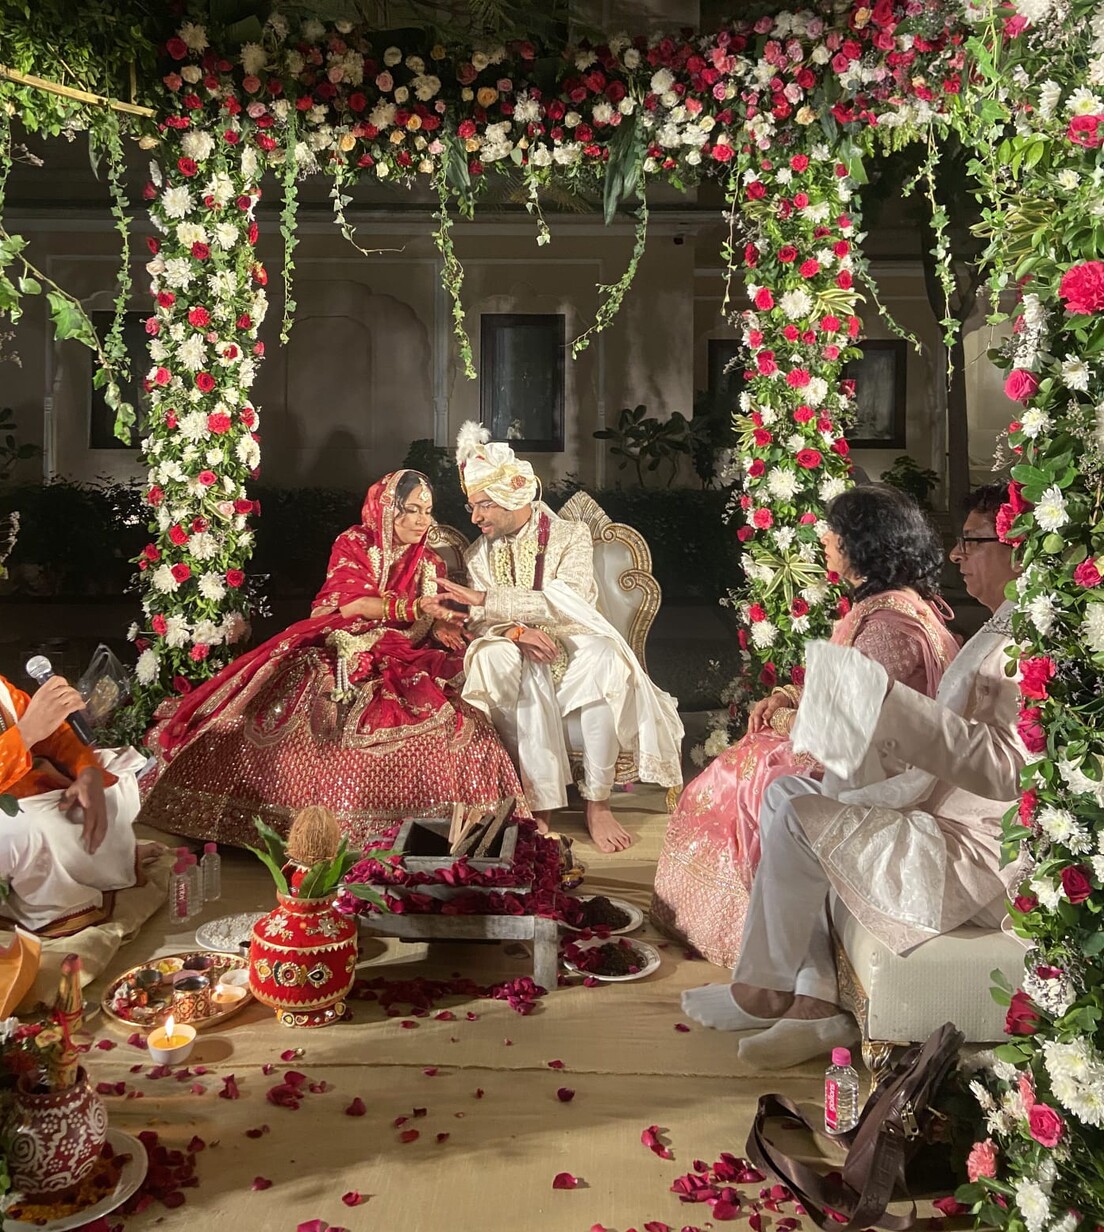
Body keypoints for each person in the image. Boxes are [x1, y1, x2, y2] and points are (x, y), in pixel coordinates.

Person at [682, 483, 1024, 1067]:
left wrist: (880, 702)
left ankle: (787, 994)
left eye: (970, 541)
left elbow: (1006, 769)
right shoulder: (1000, 624)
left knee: (785, 800)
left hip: (980, 849)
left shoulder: (1021, 639)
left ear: (1016, 545)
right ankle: (793, 992)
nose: (955, 555)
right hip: (941, 805)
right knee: (786, 791)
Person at [652, 485, 959, 966]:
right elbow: (847, 686)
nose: (825, 539)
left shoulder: (889, 627)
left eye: (834, 531)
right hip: (866, 749)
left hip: (878, 772)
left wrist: (779, 716)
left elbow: (840, 730)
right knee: (746, 759)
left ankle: (766, 947)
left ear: (863, 544)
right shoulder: (887, 607)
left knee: (747, 774)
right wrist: (787, 695)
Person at [140, 470, 524, 845]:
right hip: (344, 645)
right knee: (305, 709)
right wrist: (414, 607)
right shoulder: (356, 543)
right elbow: (351, 603)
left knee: (456, 722)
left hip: (405, 655)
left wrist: (443, 626)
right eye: (413, 509)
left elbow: (433, 616)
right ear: (389, 509)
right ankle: (312, 831)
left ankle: (452, 830)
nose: (423, 520)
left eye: (428, 511)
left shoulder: (429, 563)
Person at [437, 423, 683, 854]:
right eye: (472, 506)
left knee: (606, 657)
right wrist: (514, 630)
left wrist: (488, 598)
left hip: (571, 643)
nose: (475, 518)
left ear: (514, 497)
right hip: (516, 654)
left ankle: (598, 803)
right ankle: (538, 805)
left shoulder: (570, 537)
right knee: (503, 658)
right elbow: (477, 622)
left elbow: (568, 602)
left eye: (484, 506)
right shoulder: (479, 554)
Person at [0, 613, 146, 937]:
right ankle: (54, 905)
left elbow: (57, 735)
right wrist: (24, 735)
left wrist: (86, 771)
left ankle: (91, 871)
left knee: (117, 778)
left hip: (26, 786)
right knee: (30, 829)